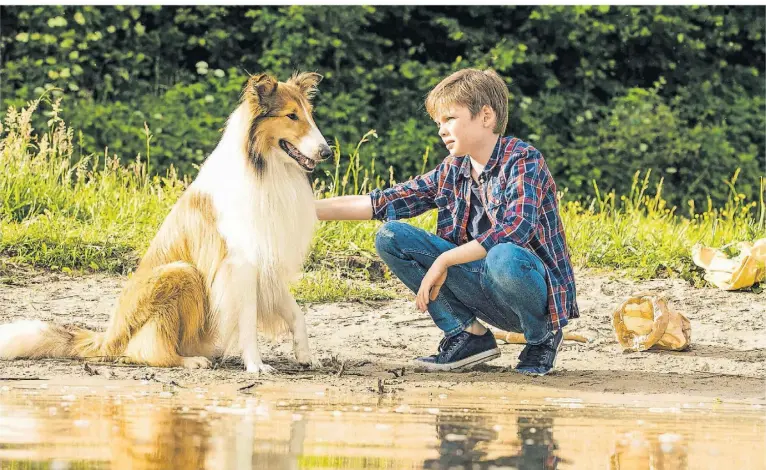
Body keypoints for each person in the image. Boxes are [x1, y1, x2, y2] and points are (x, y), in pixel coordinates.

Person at [315, 68, 579, 375]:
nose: (441, 130)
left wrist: (444, 260)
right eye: (439, 122)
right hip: (485, 292)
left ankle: (542, 338)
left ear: (486, 117)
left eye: (450, 119)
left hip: (531, 295)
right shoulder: (453, 168)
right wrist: (302, 208)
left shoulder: (523, 159)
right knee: (391, 236)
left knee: (503, 254)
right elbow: (384, 201)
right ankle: (468, 335)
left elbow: (515, 229)